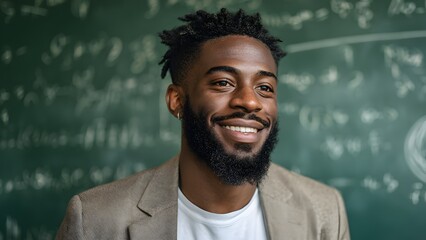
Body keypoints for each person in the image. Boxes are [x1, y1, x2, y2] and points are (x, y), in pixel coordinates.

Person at [56, 8, 350, 240]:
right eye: (223, 82)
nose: (250, 102)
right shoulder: (95, 220)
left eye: (265, 88)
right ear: (176, 101)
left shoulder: (324, 210)